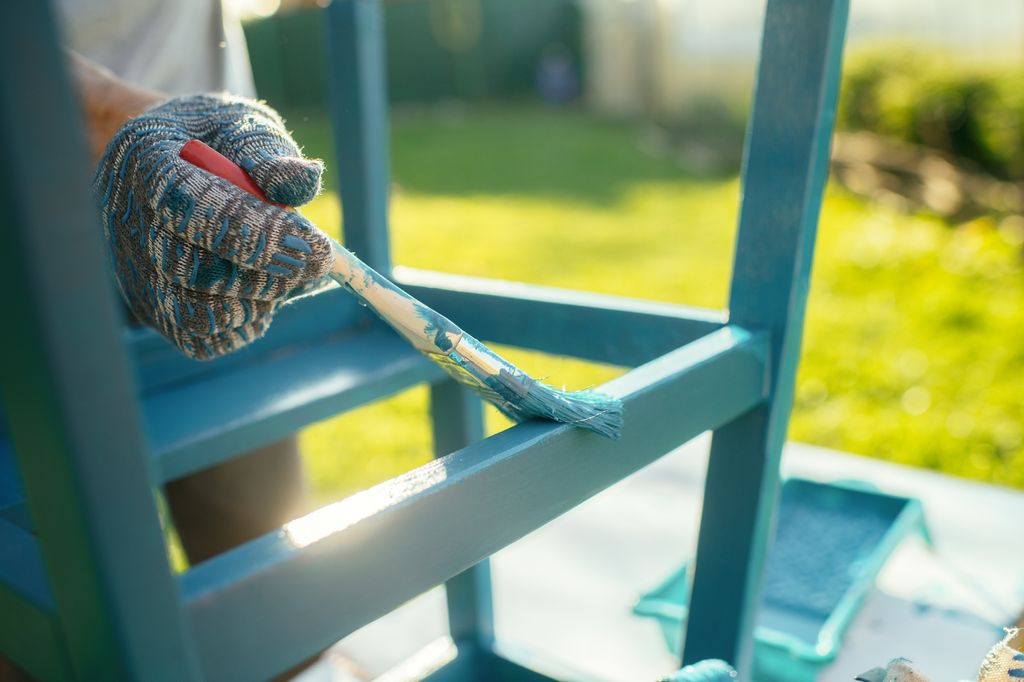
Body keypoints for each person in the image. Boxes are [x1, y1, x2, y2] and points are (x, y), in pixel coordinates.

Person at [0, 3, 327, 680]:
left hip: (207, 216)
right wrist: (111, 115)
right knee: (59, 633)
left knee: (277, 603)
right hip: (26, 233)